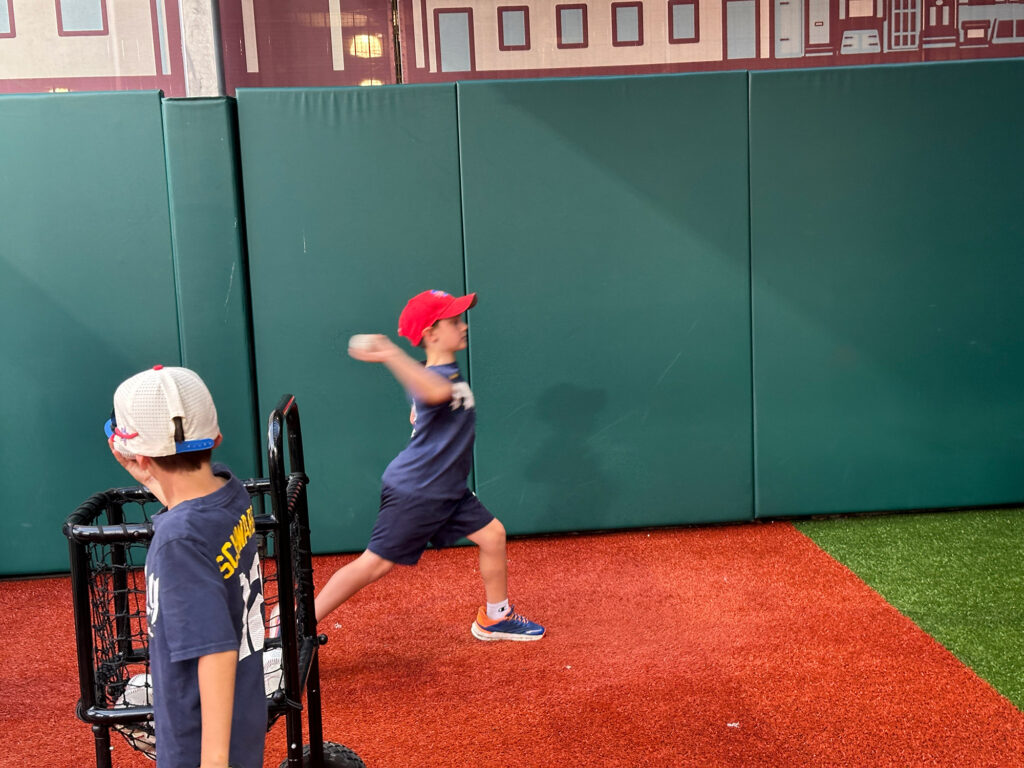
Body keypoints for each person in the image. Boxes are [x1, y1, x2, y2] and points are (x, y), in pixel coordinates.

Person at [315, 290, 545, 642]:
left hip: (447, 489)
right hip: (418, 491)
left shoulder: (441, 371)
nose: (463, 325)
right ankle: (299, 623)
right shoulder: (432, 376)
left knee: (493, 535)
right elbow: (433, 394)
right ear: (431, 334)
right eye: (454, 321)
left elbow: (428, 400)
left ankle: (495, 617)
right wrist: (391, 352)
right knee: (374, 564)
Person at [106, 365, 266, 768]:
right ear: (215, 438)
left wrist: (213, 762)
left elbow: (216, 653)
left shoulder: (179, 541)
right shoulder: (230, 491)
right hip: (241, 716)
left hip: (199, 745)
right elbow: (183, 493)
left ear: (136, 456)